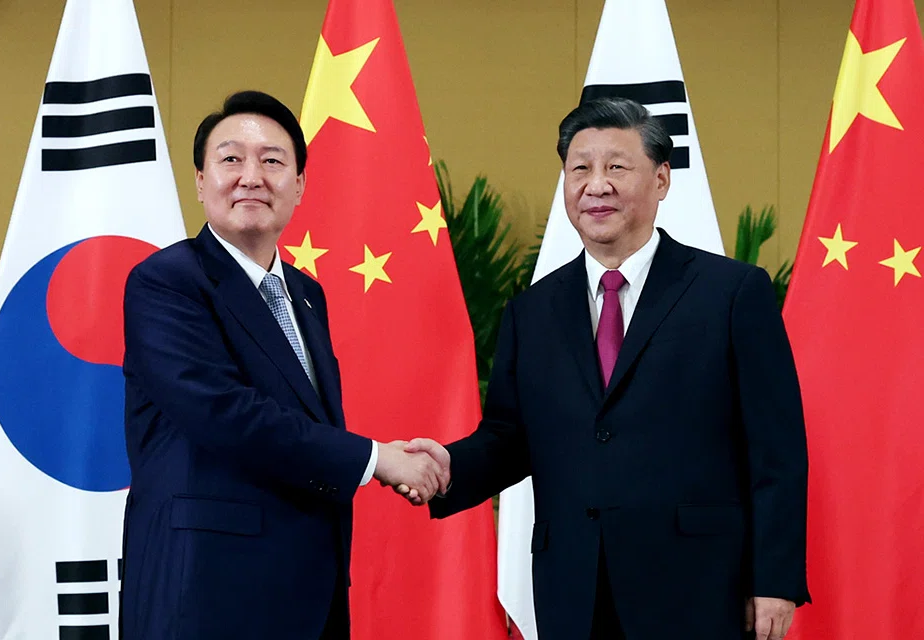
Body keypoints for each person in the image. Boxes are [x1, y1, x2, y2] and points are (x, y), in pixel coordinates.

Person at [404, 97, 809, 640]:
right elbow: (511, 437)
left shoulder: (732, 293)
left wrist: (775, 579)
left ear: (661, 179)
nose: (596, 185)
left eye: (616, 166)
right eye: (580, 168)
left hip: (698, 586)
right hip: (574, 588)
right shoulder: (532, 311)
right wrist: (449, 466)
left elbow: (776, 450)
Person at [119, 90, 446, 640]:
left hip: (307, 592)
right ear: (200, 181)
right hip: (205, 591)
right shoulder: (166, 281)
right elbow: (224, 413)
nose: (252, 176)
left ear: (298, 186)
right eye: (230, 159)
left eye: (272, 160)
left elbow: (307, 424)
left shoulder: (306, 294)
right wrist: (374, 460)